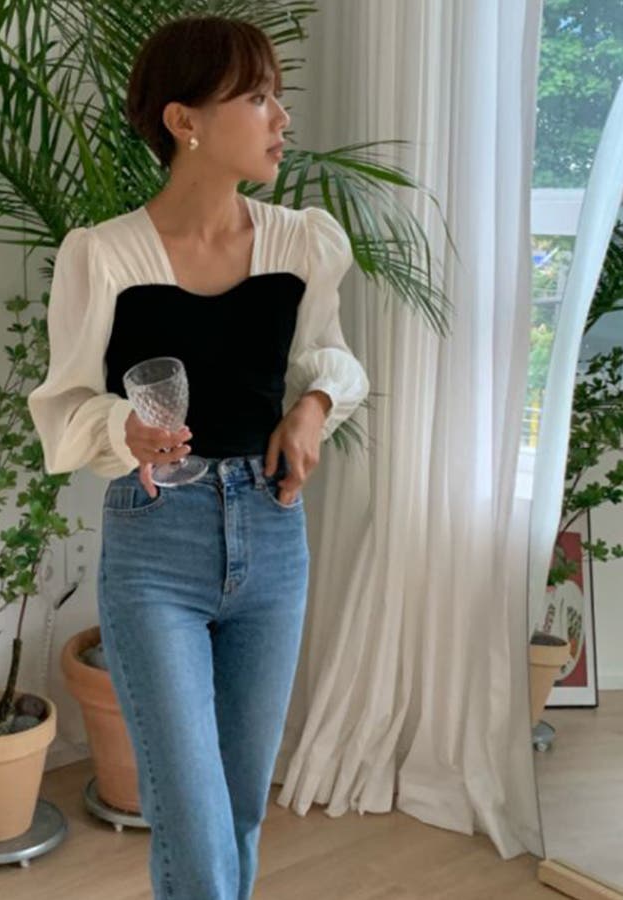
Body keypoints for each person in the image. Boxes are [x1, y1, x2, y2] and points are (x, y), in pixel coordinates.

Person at [28, 14, 369, 900]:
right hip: (156, 546)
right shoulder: (103, 255)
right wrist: (121, 428)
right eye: (256, 98)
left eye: (276, 97)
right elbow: (62, 404)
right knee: (192, 816)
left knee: (242, 810)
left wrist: (313, 409)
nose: (280, 118)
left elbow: (330, 360)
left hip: (272, 532)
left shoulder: (302, 243)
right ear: (185, 120)